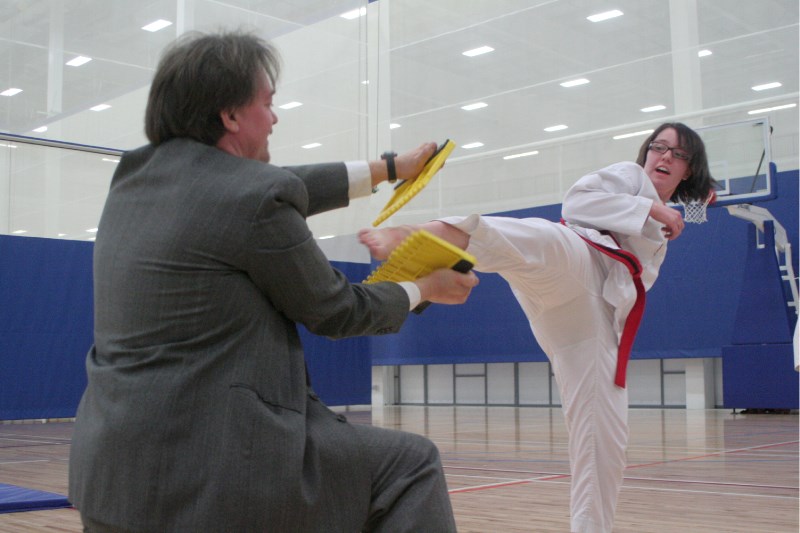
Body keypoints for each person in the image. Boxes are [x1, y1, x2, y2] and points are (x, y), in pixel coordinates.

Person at [68, 30, 479, 532]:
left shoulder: (133, 178)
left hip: (111, 474)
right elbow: (336, 311)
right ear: (231, 116)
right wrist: (424, 289)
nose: (275, 118)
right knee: (410, 465)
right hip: (217, 468)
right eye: (268, 103)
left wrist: (391, 167)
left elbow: (274, 186)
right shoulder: (253, 196)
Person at [359, 122, 716, 533]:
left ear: (689, 169)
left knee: (605, 435)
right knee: (539, 239)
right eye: (658, 147)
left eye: (678, 153)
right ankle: (433, 234)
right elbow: (577, 202)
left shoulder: (664, 232)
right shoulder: (630, 177)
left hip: (593, 318)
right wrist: (651, 207)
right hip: (579, 260)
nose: (665, 156)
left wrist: (667, 209)